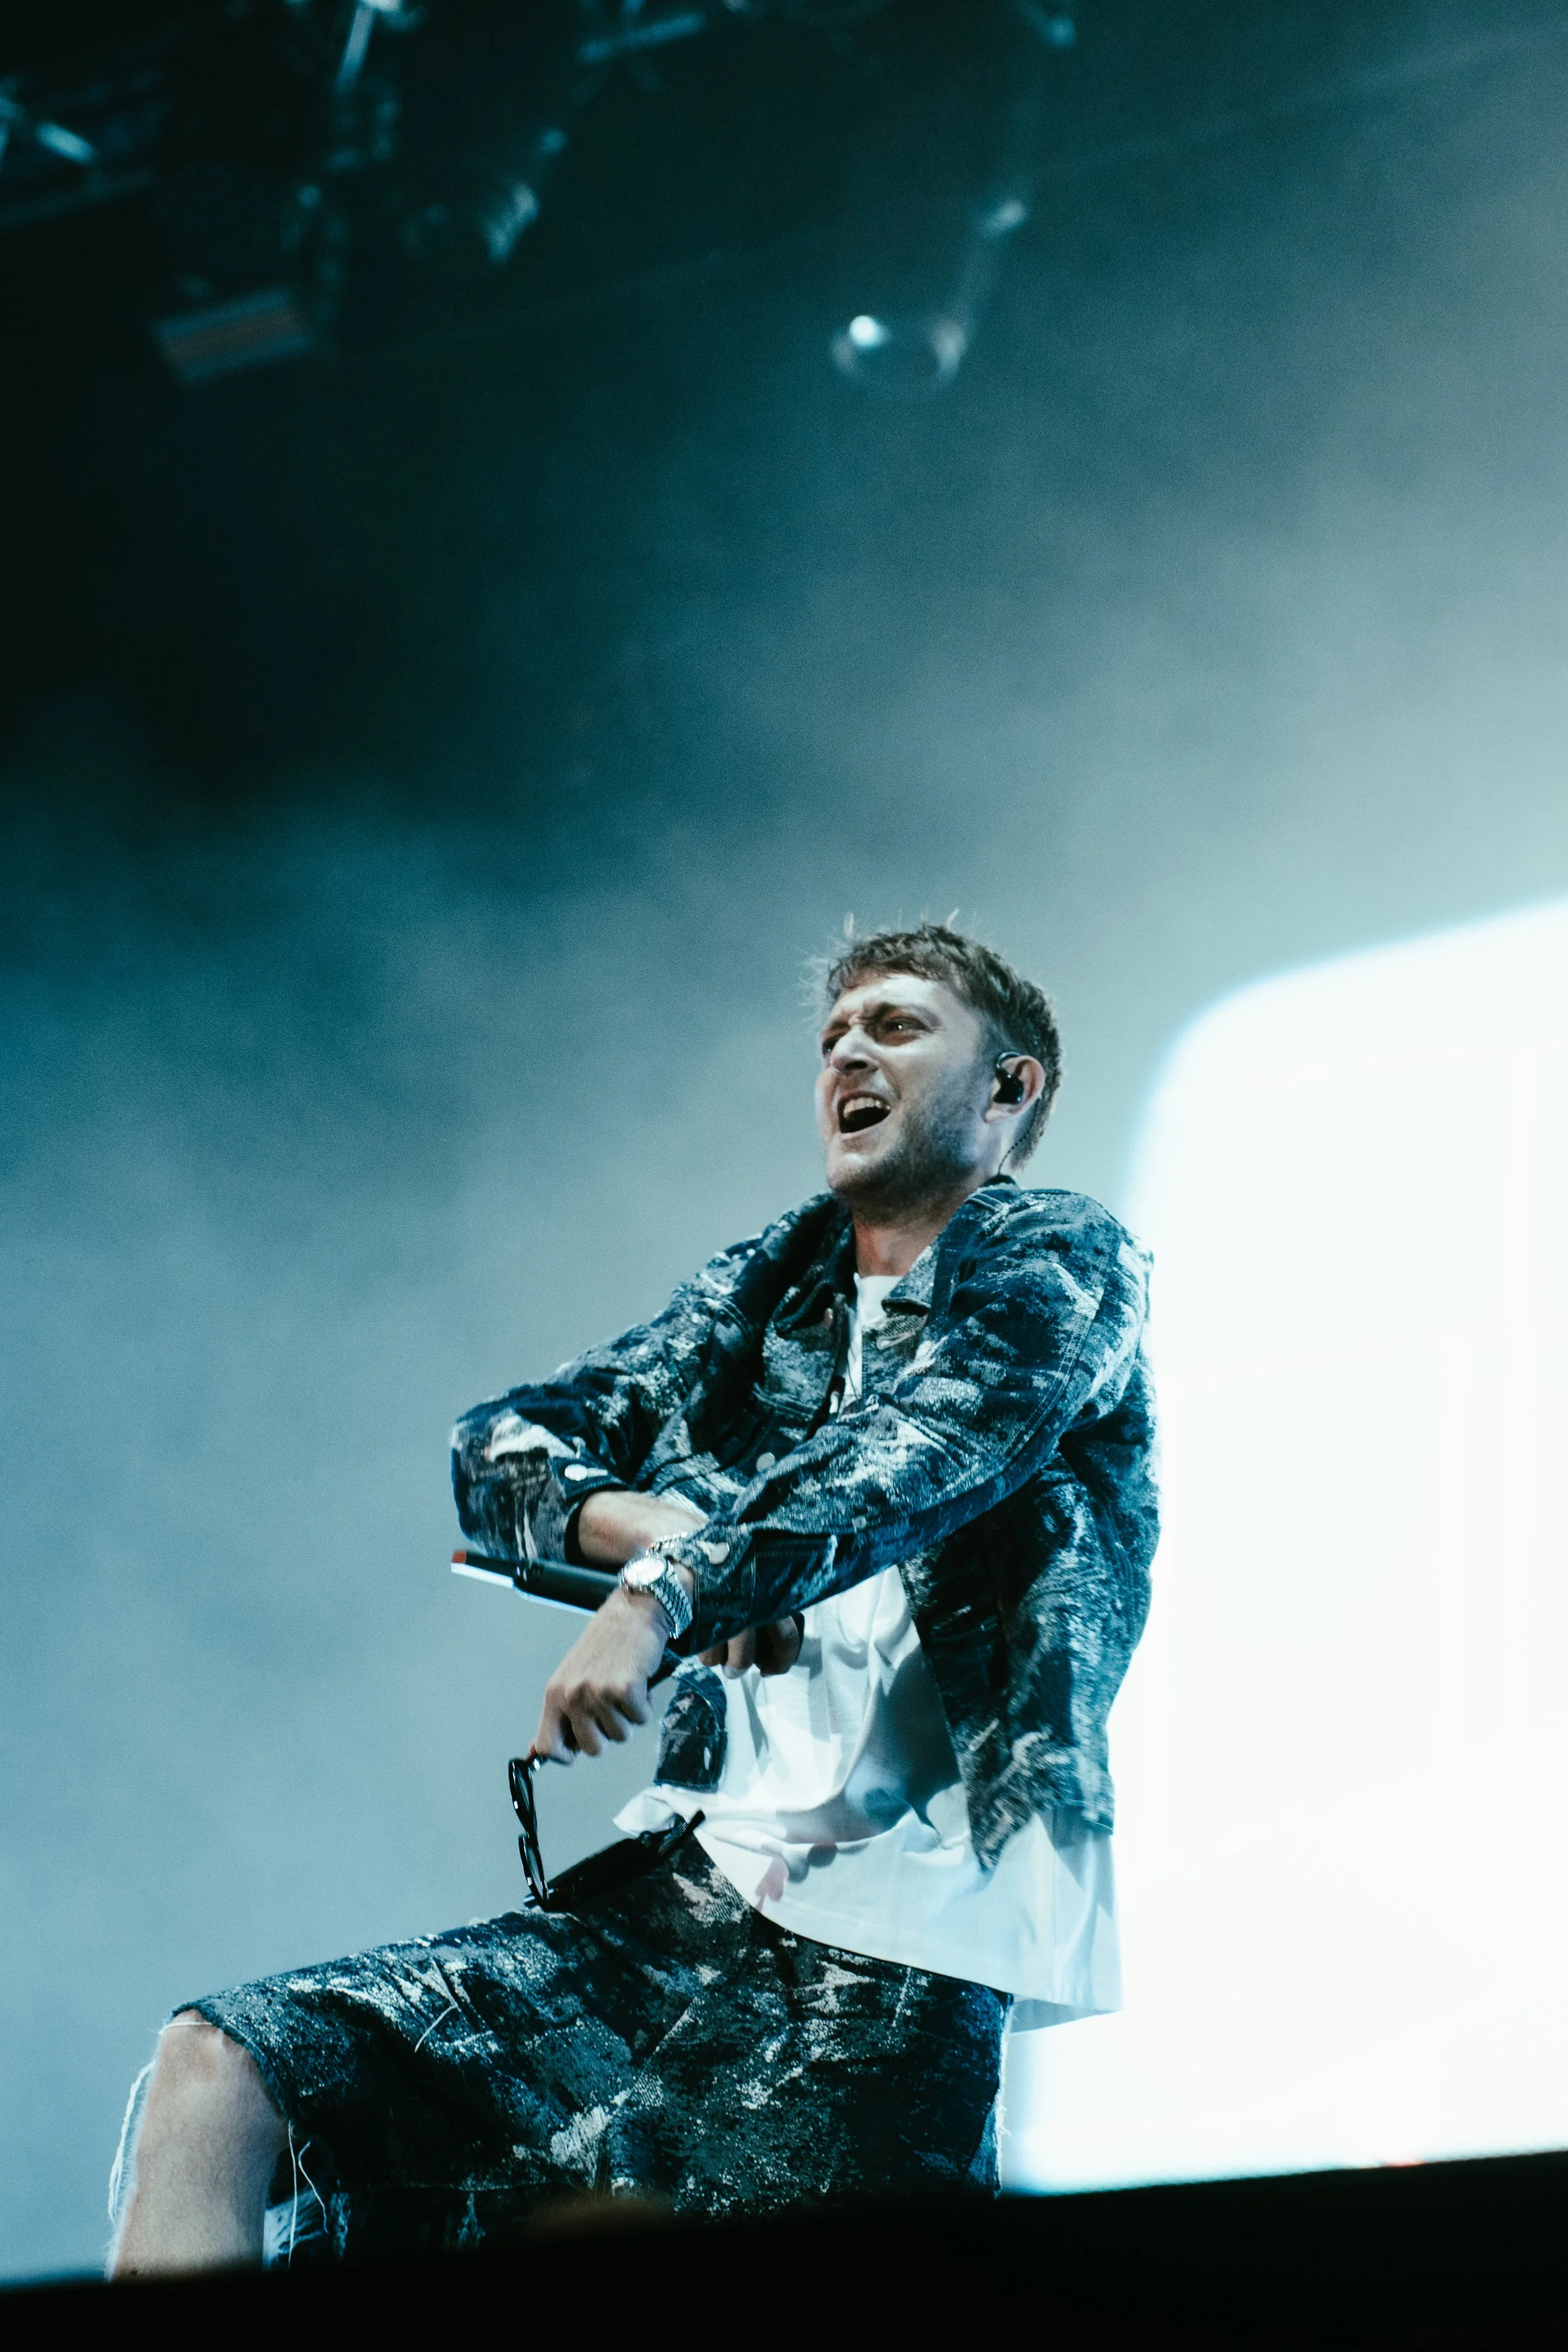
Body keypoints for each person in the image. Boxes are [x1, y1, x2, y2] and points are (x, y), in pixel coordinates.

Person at [109, 921, 1157, 2272]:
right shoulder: (772, 1289)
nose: (846, 1049)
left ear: (1007, 1091)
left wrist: (664, 1592)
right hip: (688, 1899)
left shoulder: (1061, 1262)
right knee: (221, 2066)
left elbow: (910, 1460)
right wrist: (657, 1522)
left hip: (907, 1935)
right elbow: (497, 1450)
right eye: (832, 1035)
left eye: (895, 1027)